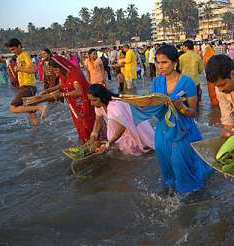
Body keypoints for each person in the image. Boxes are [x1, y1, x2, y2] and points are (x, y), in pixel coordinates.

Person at [131, 45, 212, 196]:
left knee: (180, 163)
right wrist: (140, 103)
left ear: (174, 62)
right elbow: (155, 106)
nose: (160, 66)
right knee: (165, 162)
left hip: (182, 131)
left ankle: (188, 194)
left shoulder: (187, 82)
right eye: (158, 62)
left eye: (164, 62)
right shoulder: (157, 82)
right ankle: (171, 190)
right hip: (163, 130)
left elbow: (193, 112)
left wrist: (180, 107)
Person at [86, 84, 154, 156]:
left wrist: (108, 144)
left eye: (94, 100)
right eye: (90, 100)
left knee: (140, 151)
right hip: (119, 133)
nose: (91, 103)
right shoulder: (98, 106)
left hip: (130, 129)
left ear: (102, 98)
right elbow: (98, 121)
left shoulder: (114, 106)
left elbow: (122, 127)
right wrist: (93, 136)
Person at [44, 56, 95, 143]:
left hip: (84, 102)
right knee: (79, 124)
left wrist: (62, 94)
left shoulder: (74, 73)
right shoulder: (63, 74)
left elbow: (79, 92)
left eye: (56, 70)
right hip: (74, 104)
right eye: (53, 71)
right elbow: (62, 85)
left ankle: (94, 142)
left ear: (62, 66)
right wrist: (49, 90)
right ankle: (86, 142)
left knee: (87, 123)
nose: (55, 73)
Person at [5, 38, 46, 126]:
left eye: (13, 49)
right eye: (11, 50)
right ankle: (38, 133)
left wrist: (19, 68)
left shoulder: (25, 54)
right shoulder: (19, 57)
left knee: (13, 108)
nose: (13, 52)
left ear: (19, 46)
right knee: (31, 114)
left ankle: (40, 107)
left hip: (28, 87)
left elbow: (33, 70)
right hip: (26, 87)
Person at [179, 40, 204, 104]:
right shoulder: (198, 57)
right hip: (195, 82)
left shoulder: (181, 57)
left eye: (183, 47)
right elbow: (201, 70)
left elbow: (179, 69)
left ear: (186, 47)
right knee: (196, 102)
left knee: (185, 101)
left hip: (184, 82)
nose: (182, 48)